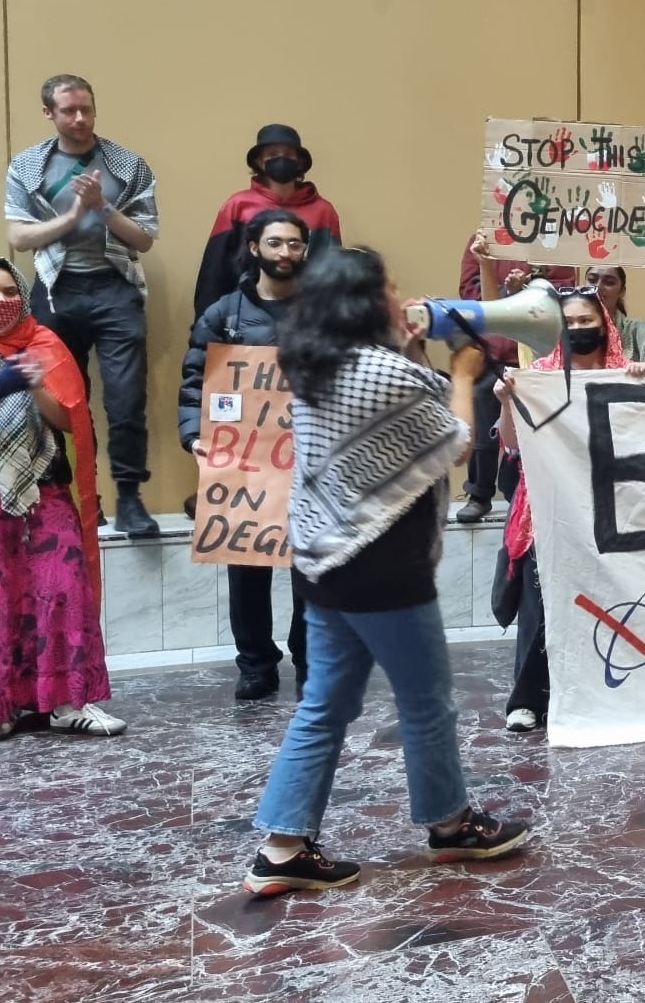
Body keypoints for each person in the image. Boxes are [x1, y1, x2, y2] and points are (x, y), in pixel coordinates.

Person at [242, 245, 530, 897]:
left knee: (324, 705)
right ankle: (452, 826)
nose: (402, 296)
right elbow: (454, 439)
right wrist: (463, 372)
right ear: (366, 301)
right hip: (382, 565)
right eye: (391, 286)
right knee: (427, 704)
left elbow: (401, 413)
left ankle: (282, 846)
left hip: (324, 561)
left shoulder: (314, 359)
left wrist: (417, 350)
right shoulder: (377, 369)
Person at [3, 74, 162, 537]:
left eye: (86, 109)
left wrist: (103, 209)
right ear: (48, 113)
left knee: (126, 400)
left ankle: (130, 499)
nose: (79, 119)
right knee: (63, 402)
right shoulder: (29, 165)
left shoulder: (126, 165)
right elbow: (18, 236)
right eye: (68, 110)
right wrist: (73, 216)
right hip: (56, 290)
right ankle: (79, 500)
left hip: (115, 288)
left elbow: (146, 239)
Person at [490, 285, 645, 732]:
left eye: (587, 321)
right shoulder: (538, 377)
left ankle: (610, 691)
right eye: (570, 323)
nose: (579, 329)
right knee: (542, 604)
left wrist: (641, 383)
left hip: (615, 509)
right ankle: (526, 700)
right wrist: (506, 402)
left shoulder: (624, 373)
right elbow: (510, 444)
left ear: (605, 323)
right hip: (549, 509)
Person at [178, 210, 314, 700]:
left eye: (294, 244)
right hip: (246, 466)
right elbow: (196, 380)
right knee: (247, 566)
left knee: (311, 568)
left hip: (310, 463)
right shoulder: (223, 315)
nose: (285, 253)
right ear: (254, 248)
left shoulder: (323, 312)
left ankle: (310, 659)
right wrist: (194, 435)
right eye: (275, 243)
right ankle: (255, 664)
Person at [0, 257, 122, 739]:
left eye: (10, 291)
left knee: (63, 588)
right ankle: (1, 704)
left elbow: (72, 420)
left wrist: (33, 383)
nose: (1, 301)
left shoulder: (45, 344)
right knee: (1, 599)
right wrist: (5, 379)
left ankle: (69, 703)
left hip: (44, 486)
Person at [452, 237, 577, 523]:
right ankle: (479, 493)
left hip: (538, 351)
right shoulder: (481, 240)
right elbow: (471, 295)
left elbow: (565, 293)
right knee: (483, 415)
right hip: (493, 350)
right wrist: (502, 288)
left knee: (543, 426)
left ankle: (535, 492)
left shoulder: (555, 239)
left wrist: (532, 284)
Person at [193, 124, 342, 316]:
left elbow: (335, 272)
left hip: (306, 315)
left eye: (288, 154)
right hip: (244, 315)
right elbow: (214, 269)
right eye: (272, 154)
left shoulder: (324, 211)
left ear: (299, 161)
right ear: (259, 161)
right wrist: (205, 323)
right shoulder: (237, 206)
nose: (281, 159)